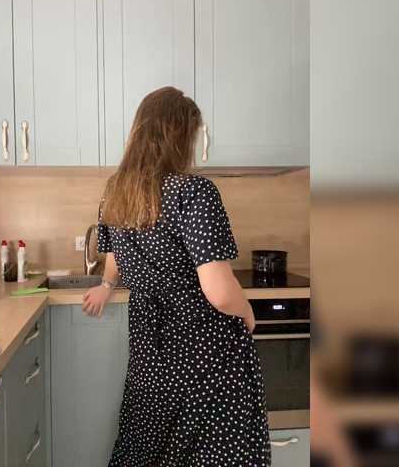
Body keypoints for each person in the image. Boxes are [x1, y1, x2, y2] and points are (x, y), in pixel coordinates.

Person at [83, 86, 270, 466]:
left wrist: (106, 284)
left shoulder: (115, 191)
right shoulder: (193, 191)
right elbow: (220, 292)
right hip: (202, 346)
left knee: (150, 443)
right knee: (212, 451)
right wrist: (247, 310)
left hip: (150, 341)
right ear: (181, 136)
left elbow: (113, 253)